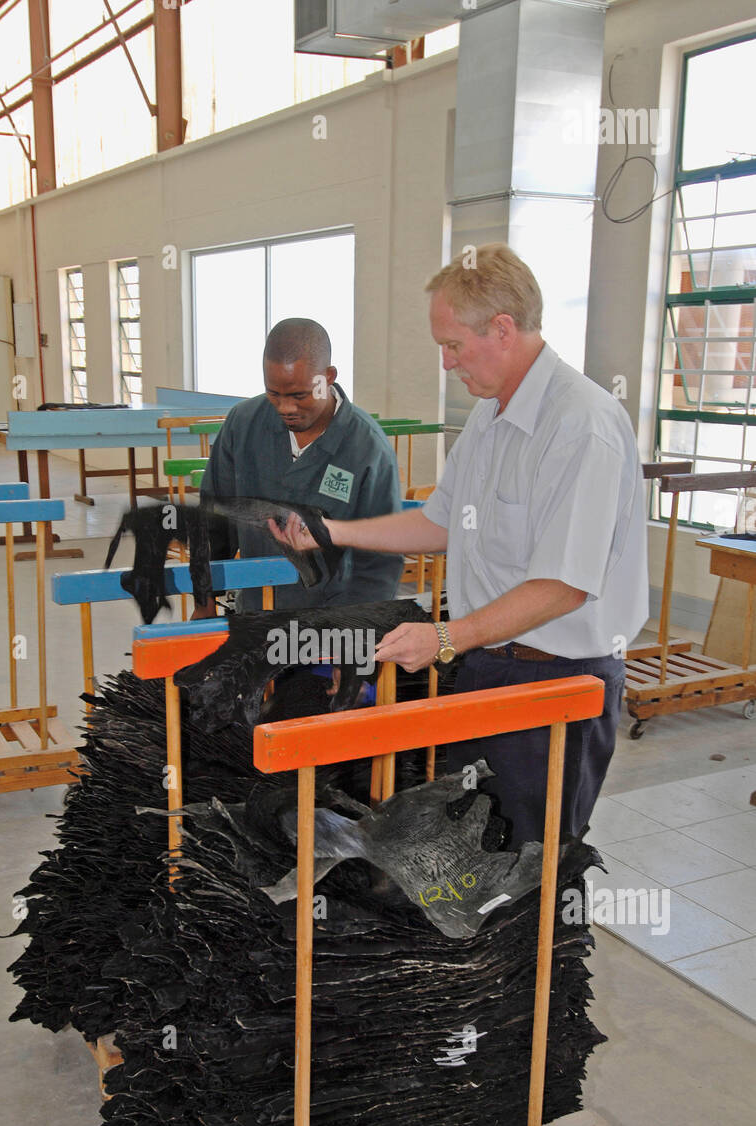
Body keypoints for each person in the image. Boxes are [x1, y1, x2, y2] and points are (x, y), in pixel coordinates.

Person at [274, 245, 649, 847]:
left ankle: (544, 942)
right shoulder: (490, 415)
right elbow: (441, 522)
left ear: (502, 329)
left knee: (534, 860)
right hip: (487, 666)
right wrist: (332, 531)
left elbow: (563, 584)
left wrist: (445, 637)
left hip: (555, 684)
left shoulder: (581, 424)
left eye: (452, 345)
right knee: (475, 853)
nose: (446, 363)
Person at [195, 317, 403, 616]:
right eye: (274, 394)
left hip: (328, 625)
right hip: (254, 615)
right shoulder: (243, 423)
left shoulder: (367, 448)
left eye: (299, 395)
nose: (285, 408)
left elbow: (378, 563)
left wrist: (346, 642)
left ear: (328, 377)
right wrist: (204, 602)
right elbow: (212, 522)